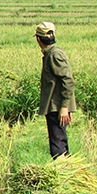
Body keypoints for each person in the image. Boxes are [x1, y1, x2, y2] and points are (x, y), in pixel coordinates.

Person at [35, 22, 76, 159]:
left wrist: (64, 107)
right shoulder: (51, 53)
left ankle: (64, 175)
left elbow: (68, 80)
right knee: (59, 144)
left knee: (58, 147)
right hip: (56, 106)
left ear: (38, 39)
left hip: (56, 107)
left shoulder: (54, 55)